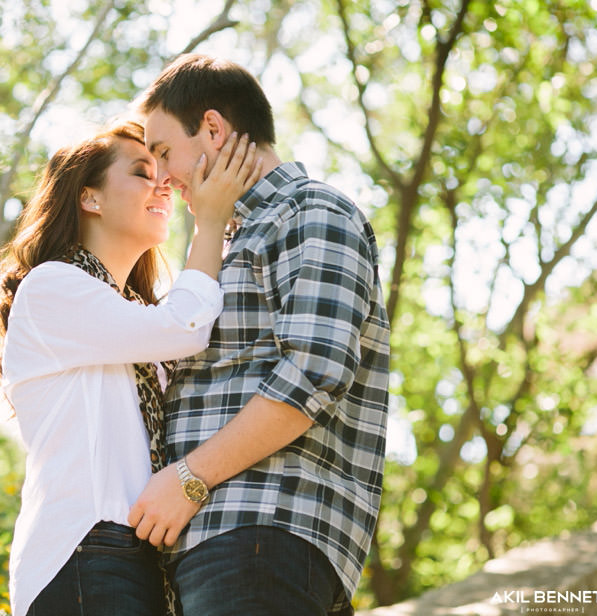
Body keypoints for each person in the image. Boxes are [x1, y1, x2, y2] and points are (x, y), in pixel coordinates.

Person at [127, 54, 391, 616]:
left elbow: (313, 374)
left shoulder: (311, 211)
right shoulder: (223, 243)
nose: (162, 179)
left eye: (165, 152)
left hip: (263, 530)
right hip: (231, 544)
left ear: (214, 129)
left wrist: (189, 480)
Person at [0, 118, 261, 616]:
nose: (162, 184)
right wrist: (212, 221)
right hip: (84, 550)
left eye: (162, 173)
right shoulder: (53, 288)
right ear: (90, 198)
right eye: (140, 172)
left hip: (137, 557)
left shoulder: (130, 317)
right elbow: (186, 325)